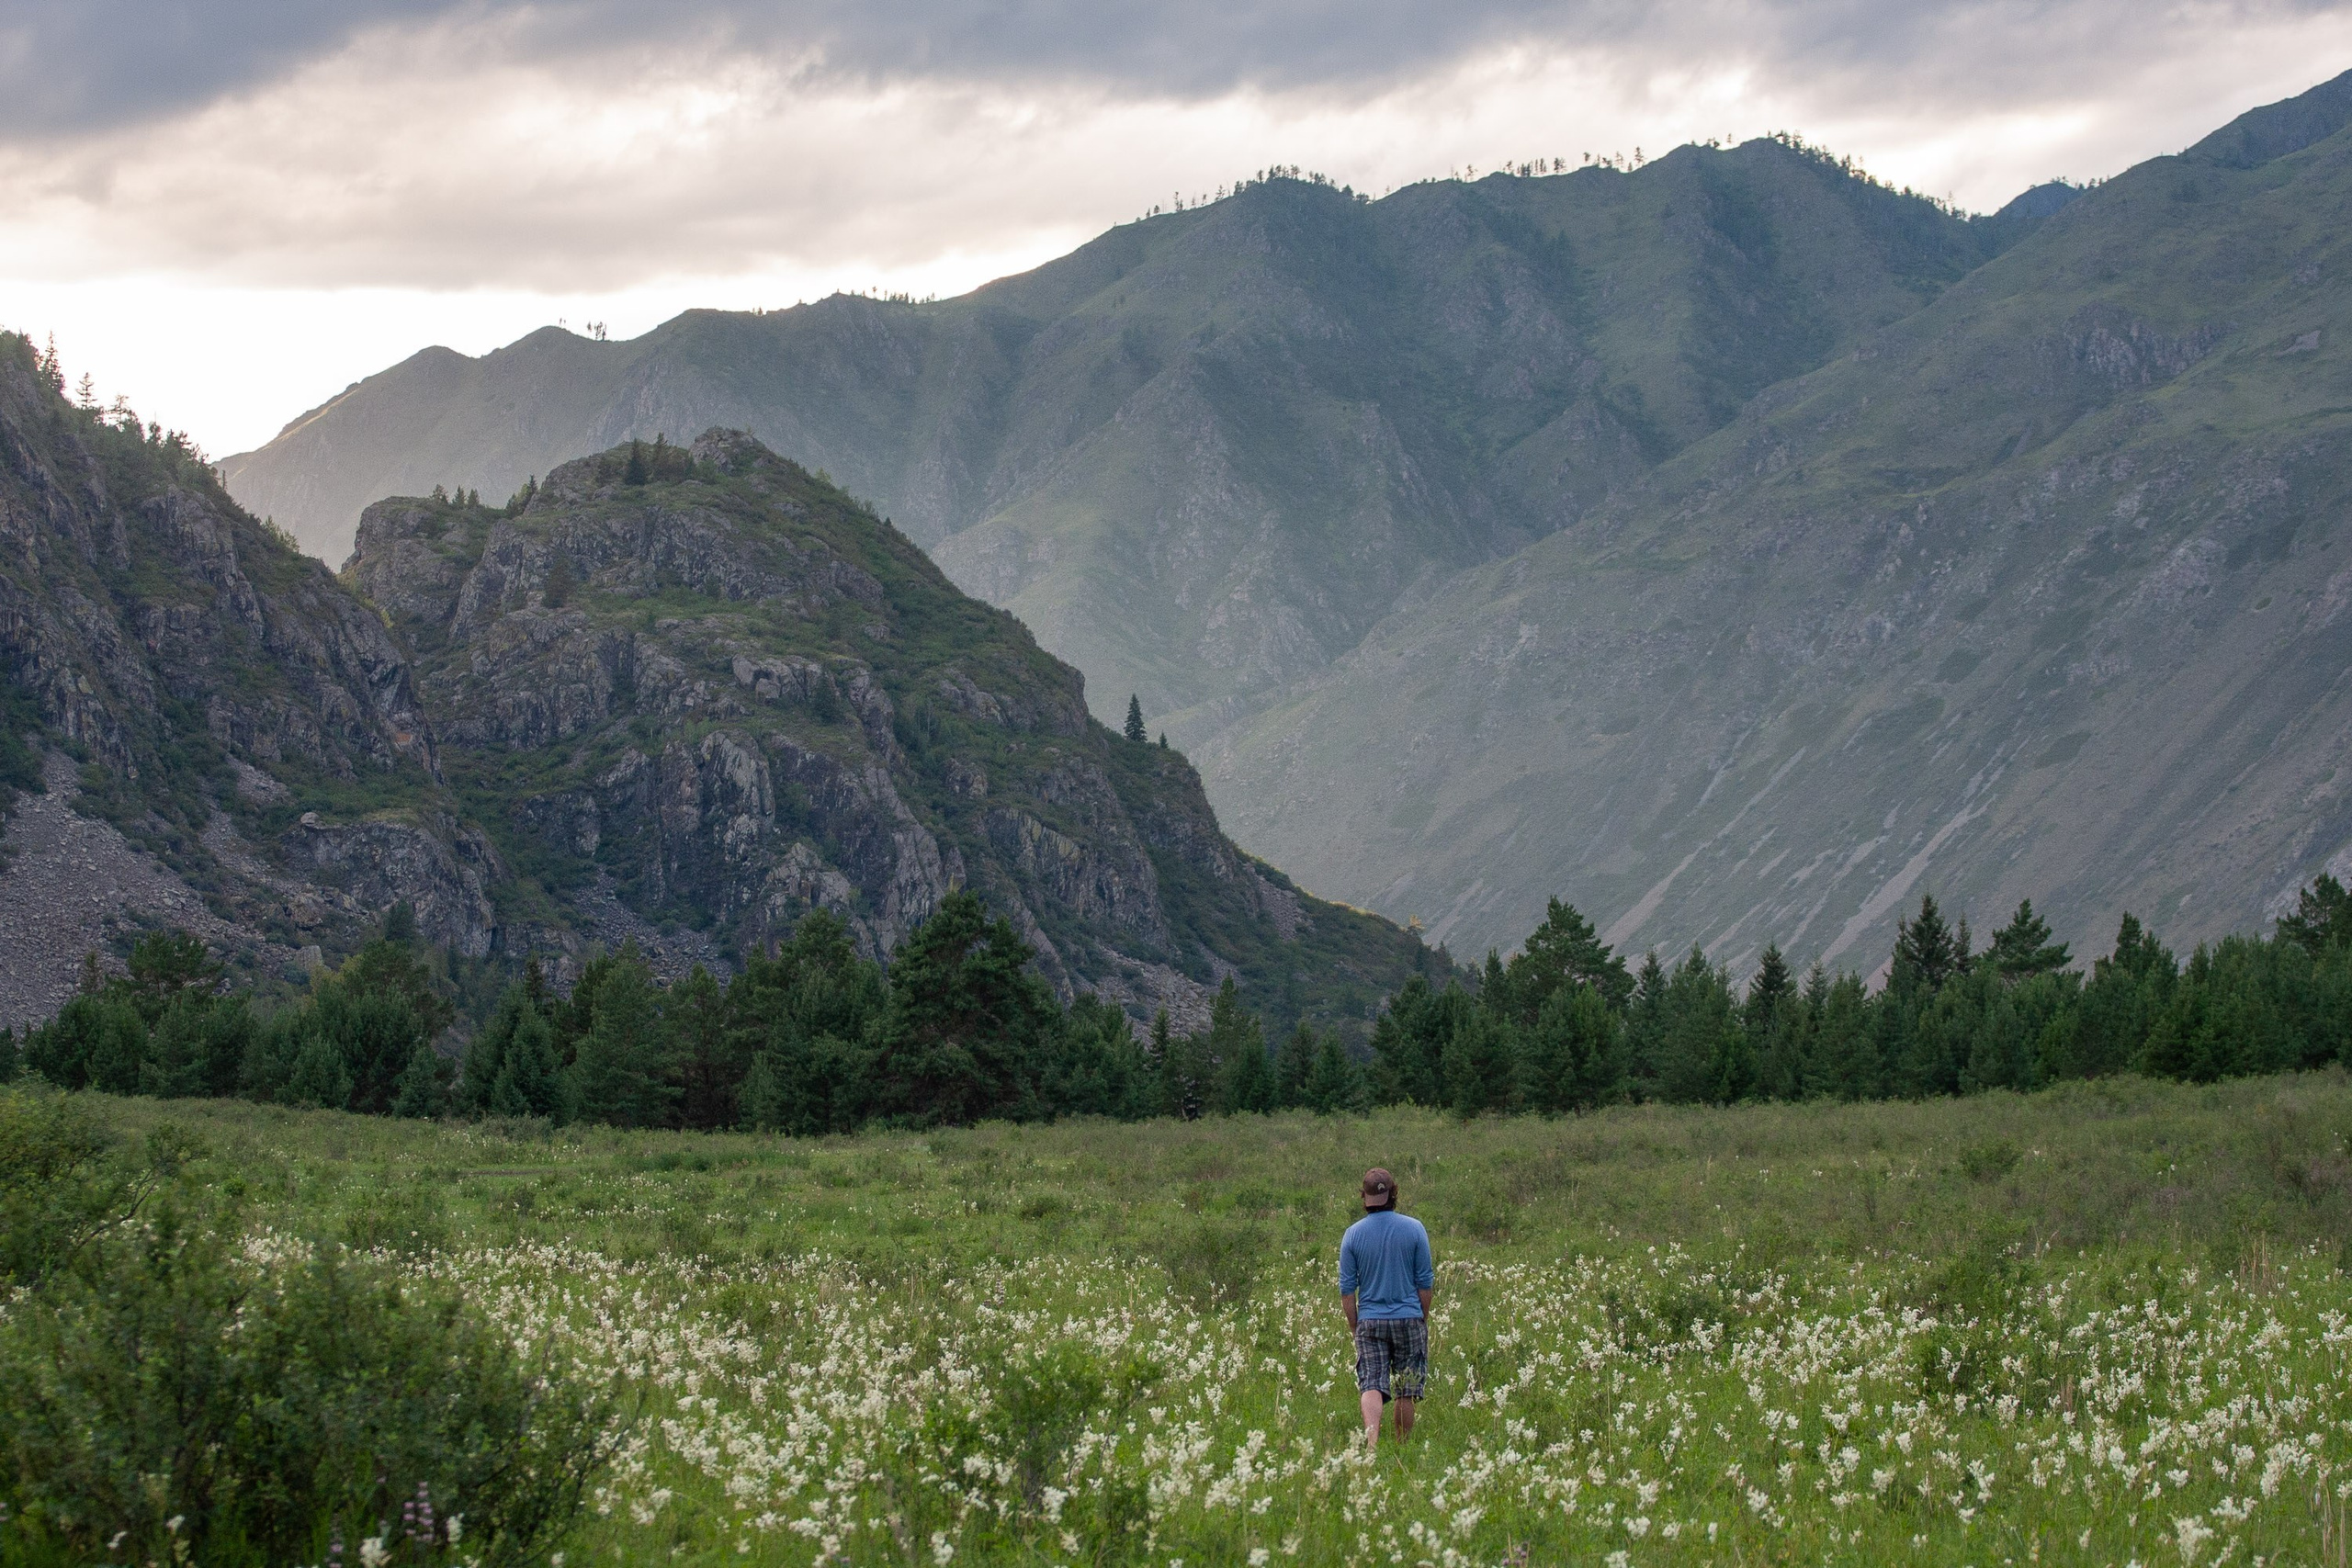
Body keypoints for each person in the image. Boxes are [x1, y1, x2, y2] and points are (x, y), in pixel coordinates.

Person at [1338, 1166, 1433, 1450]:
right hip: (1409, 1318)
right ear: (1394, 1193)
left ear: (1363, 1196)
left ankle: (1372, 1445)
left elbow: (1346, 1290)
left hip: (1370, 1320)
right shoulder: (1415, 1228)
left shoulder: (1352, 1235)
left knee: (1371, 1384)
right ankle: (1403, 1447)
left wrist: (1356, 1326)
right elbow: (1425, 1284)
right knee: (1406, 1389)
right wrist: (1421, 1317)